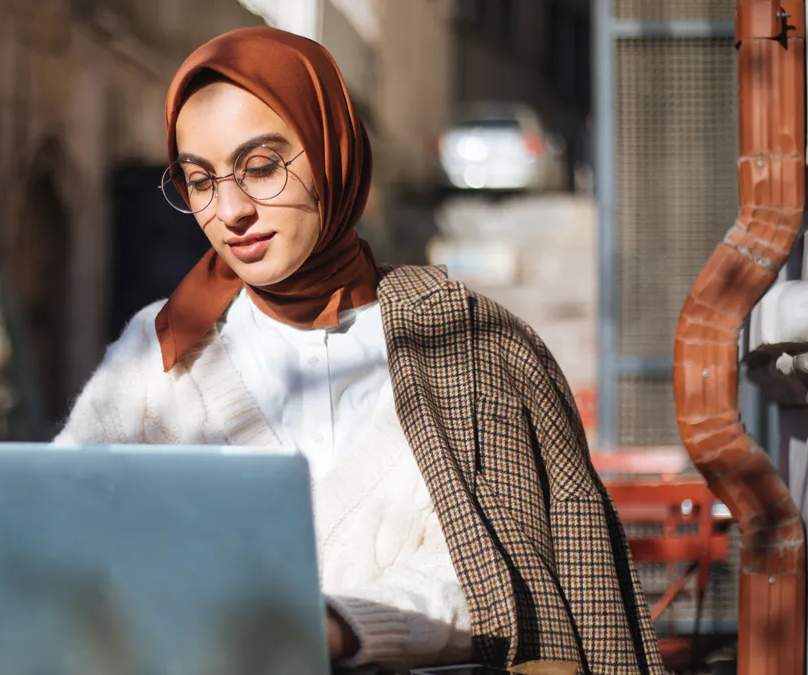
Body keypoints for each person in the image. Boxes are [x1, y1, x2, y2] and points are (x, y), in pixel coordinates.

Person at [56, 26, 664, 675]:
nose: (229, 210)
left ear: (331, 153)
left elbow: (505, 579)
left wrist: (339, 626)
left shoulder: (469, 347)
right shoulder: (158, 353)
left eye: (261, 167)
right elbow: (51, 532)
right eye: (200, 180)